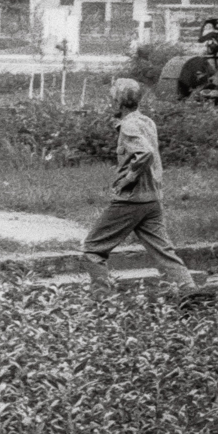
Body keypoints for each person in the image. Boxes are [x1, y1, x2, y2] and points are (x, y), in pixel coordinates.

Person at [79, 78, 199, 293]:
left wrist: (128, 178)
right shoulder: (147, 121)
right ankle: (189, 291)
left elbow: (145, 153)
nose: (110, 104)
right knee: (163, 250)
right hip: (152, 199)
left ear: (119, 102)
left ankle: (101, 303)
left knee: (93, 249)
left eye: (112, 99)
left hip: (131, 199)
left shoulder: (129, 125)